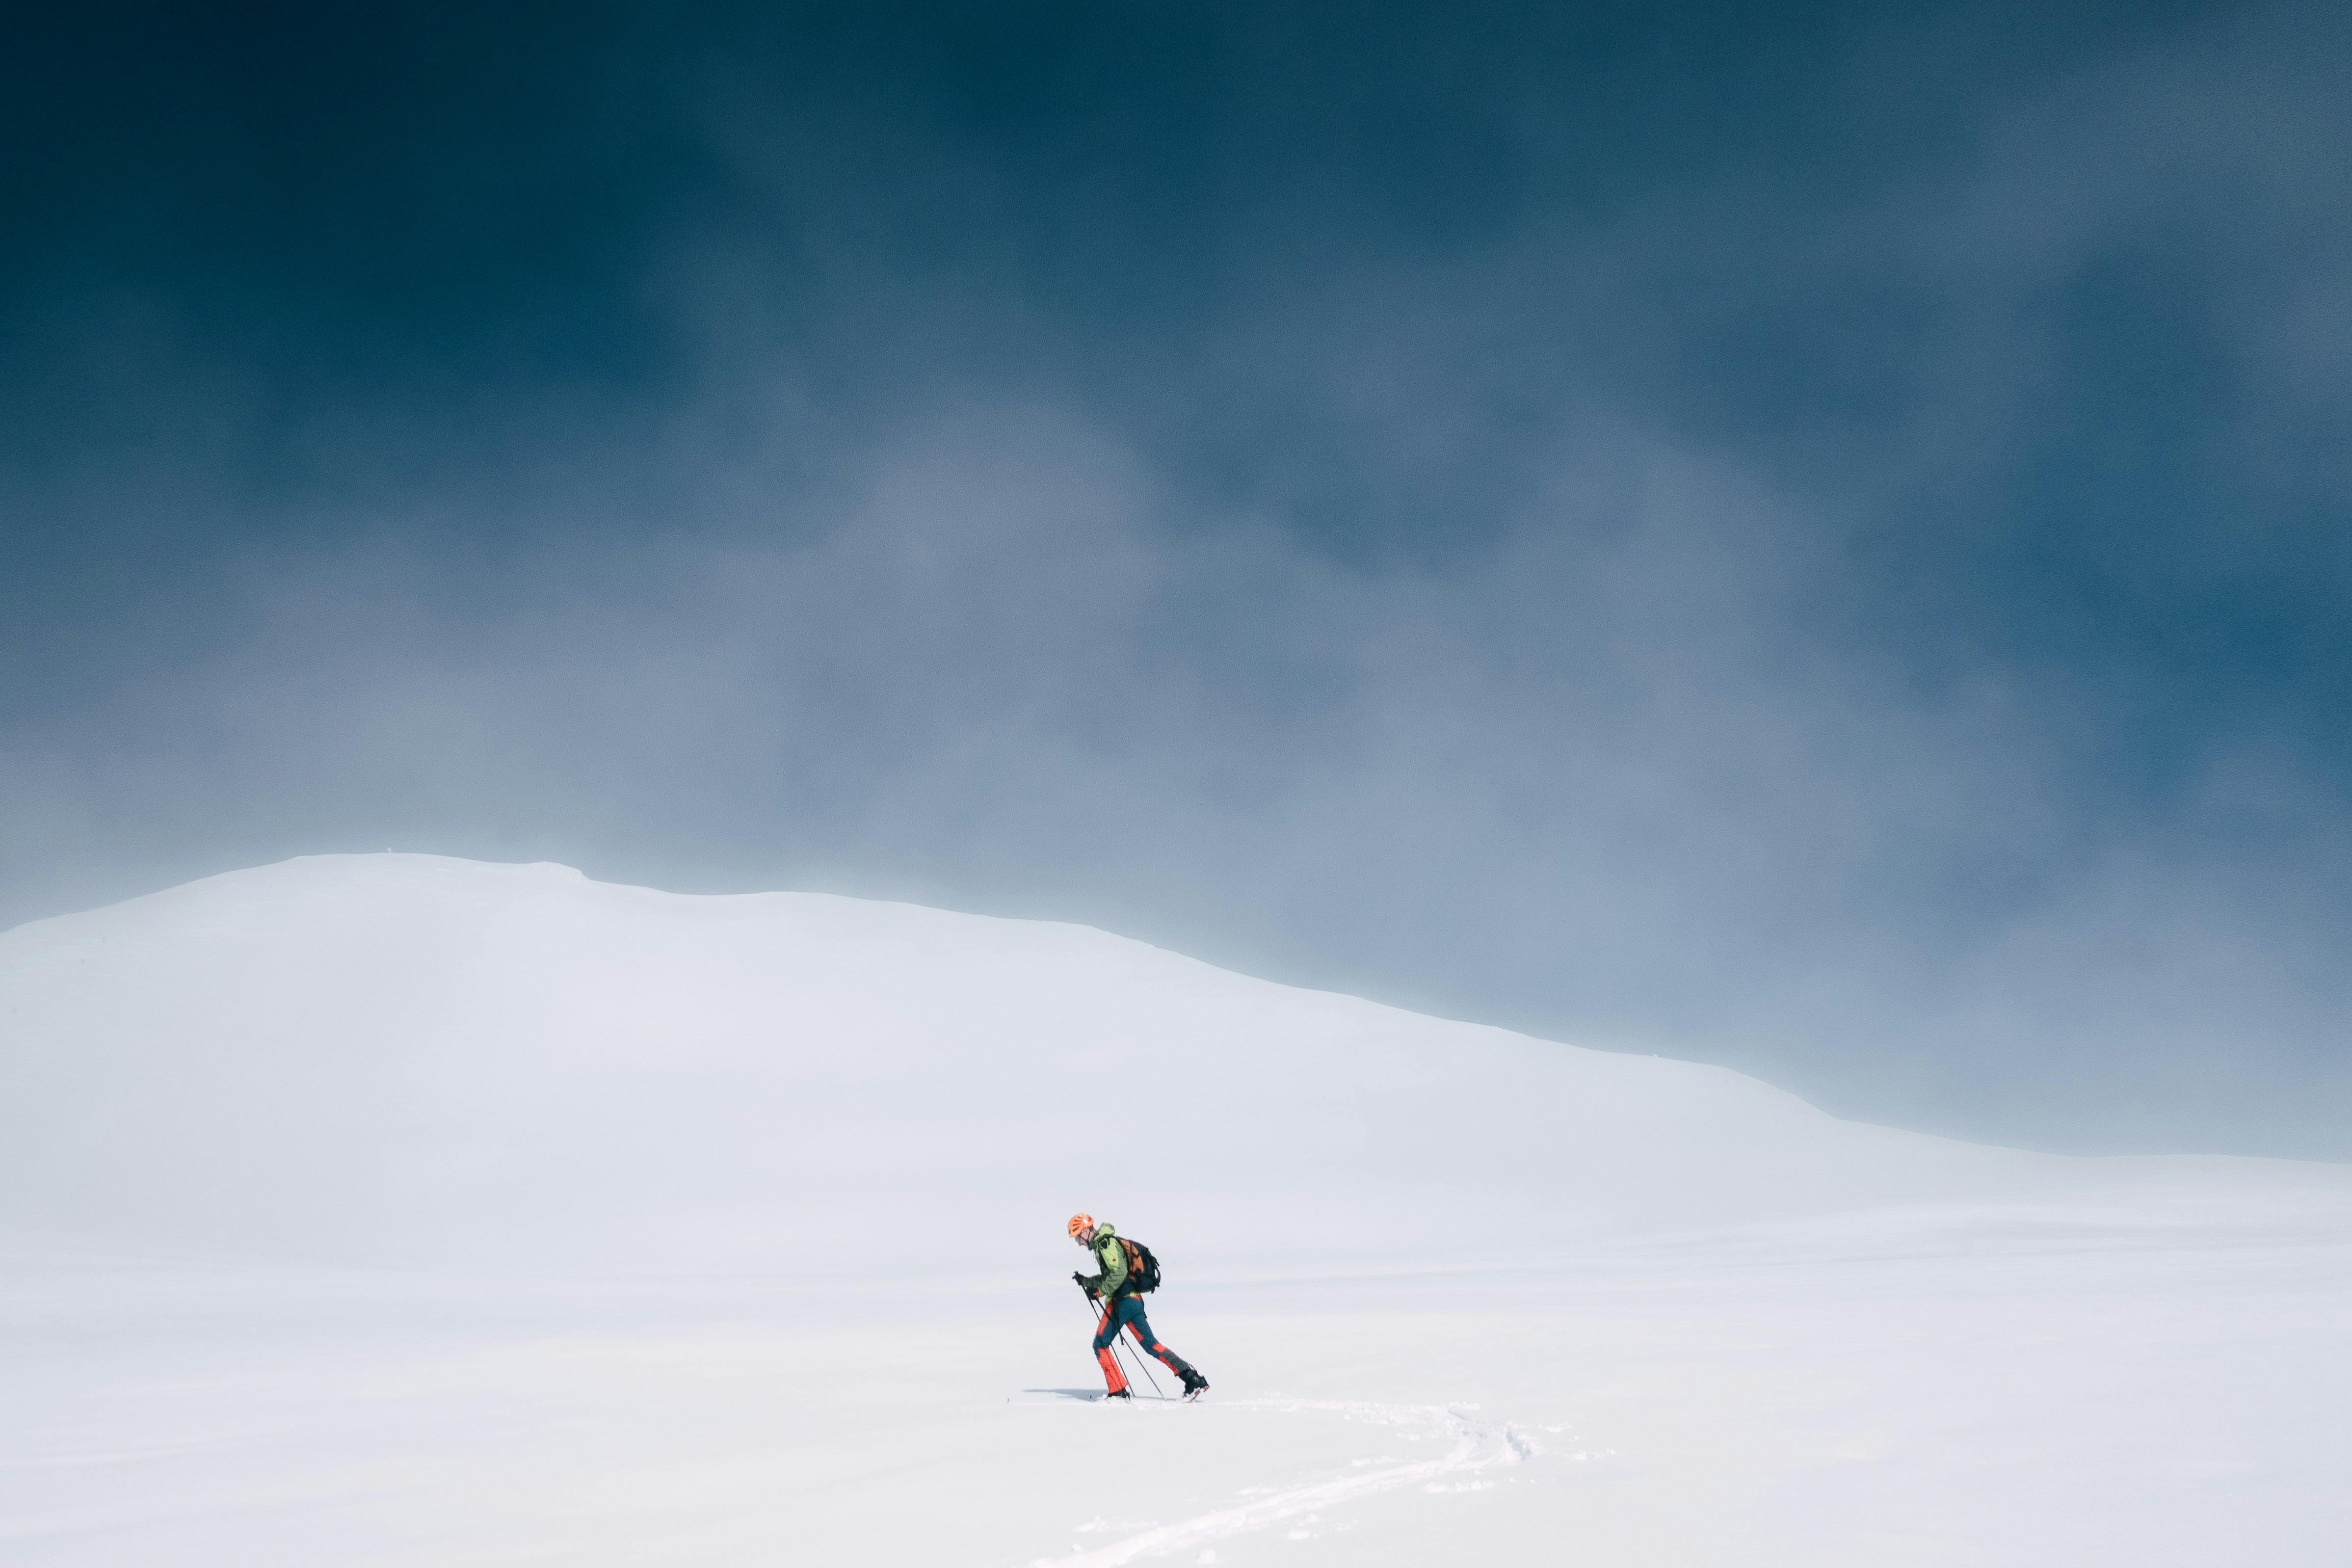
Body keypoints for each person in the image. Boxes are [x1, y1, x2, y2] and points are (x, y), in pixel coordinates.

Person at [1068, 1213, 1208, 1400]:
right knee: (1152, 1345)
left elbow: (1118, 1274)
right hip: (1133, 1302)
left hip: (1123, 1302)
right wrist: (1086, 1281)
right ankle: (1192, 1378)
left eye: (1078, 1237)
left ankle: (1117, 1391)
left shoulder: (1105, 1244)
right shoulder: (1105, 1245)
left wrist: (1100, 1292)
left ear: (1086, 1230)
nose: (1079, 1242)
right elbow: (1110, 1276)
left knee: (1100, 1345)